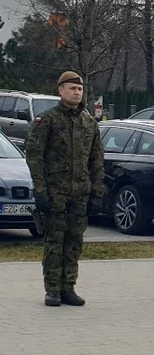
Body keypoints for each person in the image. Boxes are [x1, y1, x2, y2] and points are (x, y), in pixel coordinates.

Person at [25, 71, 105, 307]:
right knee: (54, 242)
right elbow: (35, 157)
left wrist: (97, 192)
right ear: (61, 91)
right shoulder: (47, 120)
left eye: (79, 90)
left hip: (80, 193)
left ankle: (68, 287)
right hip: (55, 192)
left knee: (74, 243)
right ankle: (52, 290)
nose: (77, 93)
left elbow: (97, 160)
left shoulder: (89, 123)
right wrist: (40, 191)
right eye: (72, 88)